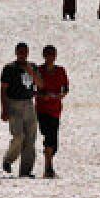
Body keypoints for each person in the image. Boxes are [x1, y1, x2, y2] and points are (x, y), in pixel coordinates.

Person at [0, 42, 40, 178]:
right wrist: (4, 108)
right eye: (20, 52)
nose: (23, 54)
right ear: (16, 53)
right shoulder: (9, 68)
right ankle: (8, 159)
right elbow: (3, 89)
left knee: (30, 139)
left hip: (29, 105)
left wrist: (31, 72)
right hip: (14, 105)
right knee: (18, 136)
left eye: (25, 52)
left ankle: (26, 171)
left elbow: (41, 84)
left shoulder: (33, 67)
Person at [35, 45, 69, 179]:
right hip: (42, 109)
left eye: (52, 54)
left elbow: (65, 88)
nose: (50, 57)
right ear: (44, 55)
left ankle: (49, 165)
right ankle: (48, 167)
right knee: (48, 137)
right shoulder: (39, 70)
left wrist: (60, 95)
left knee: (53, 141)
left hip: (55, 110)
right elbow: (33, 88)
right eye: (47, 54)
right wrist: (42, 96)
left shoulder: (60, 71)